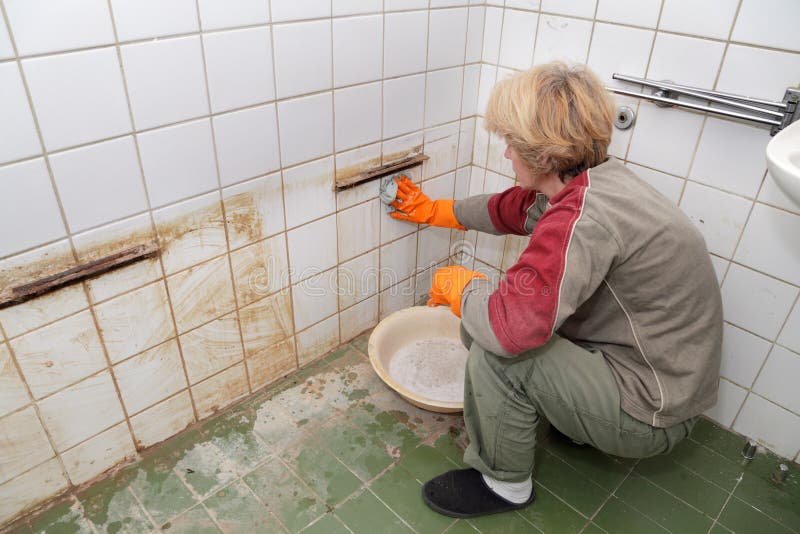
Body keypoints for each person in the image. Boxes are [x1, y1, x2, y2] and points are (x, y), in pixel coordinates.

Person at [388, 62, 723, 518]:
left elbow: (507, 330)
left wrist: (462, 288)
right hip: (657, 372)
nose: (506, 154)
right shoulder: (595, 185)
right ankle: (575, 419)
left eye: (511, 144)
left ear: (542, 155)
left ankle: (503, 484)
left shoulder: (581, 221)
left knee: (496, 351)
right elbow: (514, 209)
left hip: (651, 409)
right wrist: (434, 210)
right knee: (501, 320)